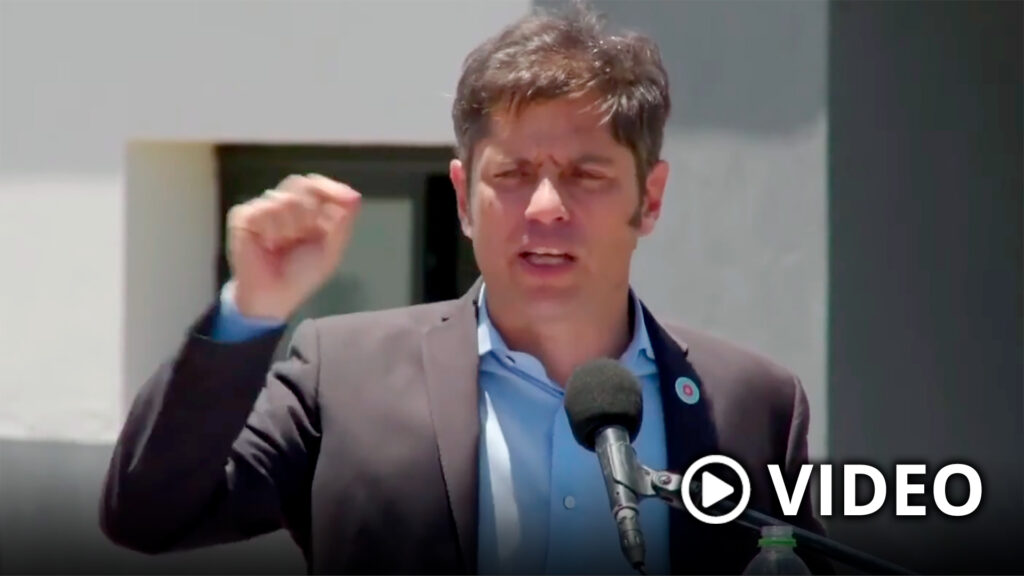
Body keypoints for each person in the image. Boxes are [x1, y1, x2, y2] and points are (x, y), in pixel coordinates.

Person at [100, 4, 830, 575]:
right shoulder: (340, 375)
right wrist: (249, 310)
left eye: (586, 175)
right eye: (511, 174)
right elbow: (150, 514)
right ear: (461, 197)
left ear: (652, 198)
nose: (546, 207)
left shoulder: (752, 404)